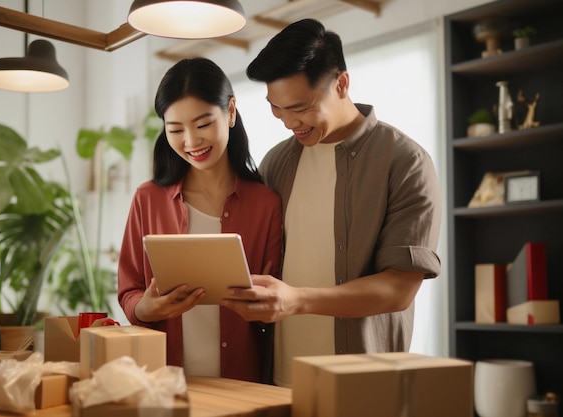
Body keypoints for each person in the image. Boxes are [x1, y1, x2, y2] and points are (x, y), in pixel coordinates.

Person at [221, 18, 442, 387]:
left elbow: (399, 288)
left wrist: (298, 300)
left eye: (301, 107)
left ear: (341, 83)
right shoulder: (276, 163)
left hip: (361, 390)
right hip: (279, 383)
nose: (289, 122)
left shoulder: (404, 162)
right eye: (276, 108)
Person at [117, 57, 282, 384]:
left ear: (231, 111)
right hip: (163, 384)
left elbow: (273, 303)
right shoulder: (147, 199)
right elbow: (129, 290)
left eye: (203, 124)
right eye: (175, 129)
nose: (191, 142)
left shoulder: (266, 204)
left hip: (241, 385)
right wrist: (147, 309)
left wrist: (260, 306)